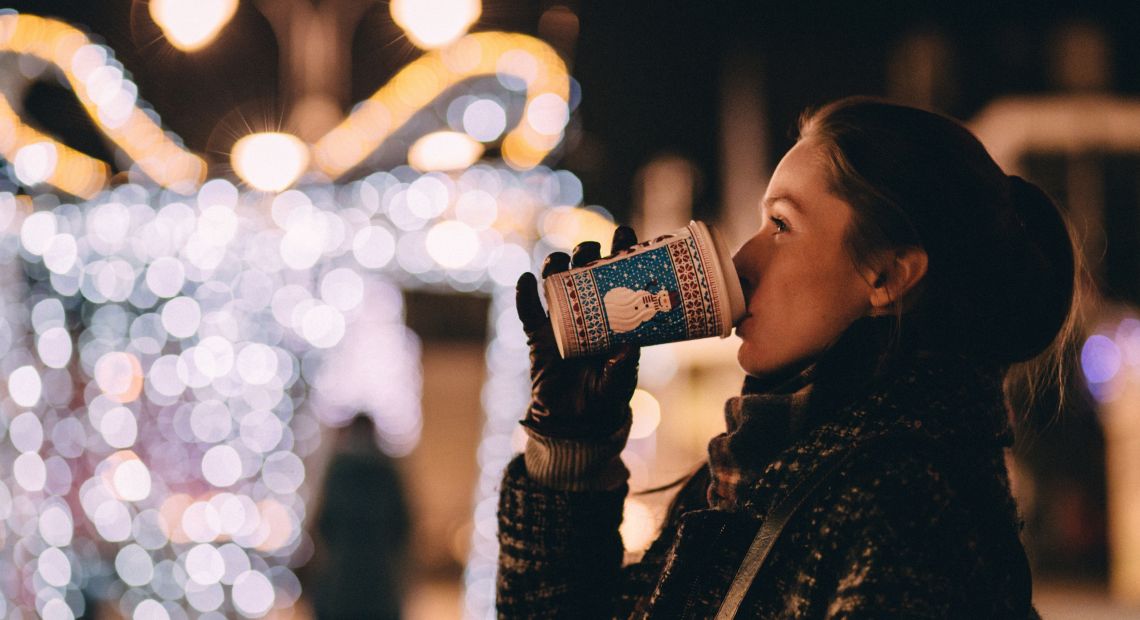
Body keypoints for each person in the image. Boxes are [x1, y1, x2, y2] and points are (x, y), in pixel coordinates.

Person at [497, 97, 1077, 618]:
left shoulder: (904, 506)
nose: (744, 259)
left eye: (781, 224)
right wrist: (572, 443)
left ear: (887, 275)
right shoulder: (758, 468)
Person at [306, 414, 412, 620]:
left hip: (345, 574)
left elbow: (324, 522)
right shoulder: (385, 472)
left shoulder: (340, 472)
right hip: (375, 576)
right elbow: (401, 524)